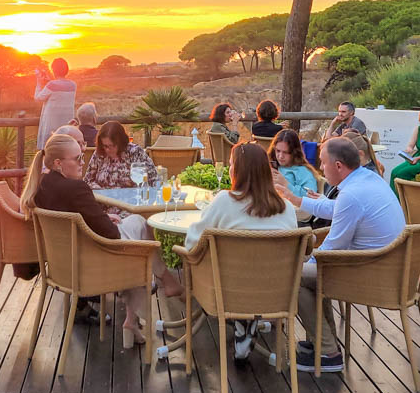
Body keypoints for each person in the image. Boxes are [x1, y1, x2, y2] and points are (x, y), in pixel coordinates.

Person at [22, 134, 179, 346]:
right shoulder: (76, 188)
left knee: (138, 235)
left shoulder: (41, 186)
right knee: (142, 232)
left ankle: (136, 315)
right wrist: (107, 222)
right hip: (93, 268)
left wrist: (103, 218)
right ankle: (163, 281)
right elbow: (111, 235)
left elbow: (77, 221)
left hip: (65, 267)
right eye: (77, 158)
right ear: (58, 163)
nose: (82, 162)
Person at [272, 136, 406, 372]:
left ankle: (327, 353)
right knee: (307, 270)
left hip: (372, 274)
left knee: (293, 275)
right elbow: (335, 208)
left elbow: (331, 249)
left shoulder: (352, 195)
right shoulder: (367, 179)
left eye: (323, 163)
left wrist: (303, 259)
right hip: (388, 266)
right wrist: (294, 199)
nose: (321, 168)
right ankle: (324, 342)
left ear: (338, 166)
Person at [185, 142, 298, 362]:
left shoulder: (224, 201)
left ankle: (240, 321)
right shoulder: (286, 208)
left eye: (230, 165)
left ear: (237, 170)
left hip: (228, 293)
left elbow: (192, 244)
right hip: (275, 294)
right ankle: (247, 321)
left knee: (199, 262)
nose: (229, 169)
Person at [86, 120, 157, 195]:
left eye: (112, 145)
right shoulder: (100, 153)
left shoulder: (134, 152)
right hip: (103, 201)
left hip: (130, 202)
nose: (108, 149)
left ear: (120, 142)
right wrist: (103, 192)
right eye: (105, 146)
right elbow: (88, 180)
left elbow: (153, 180)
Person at [387, 109, 420, 187]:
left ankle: (402, 197)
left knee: (401, 174)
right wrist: (408, 150)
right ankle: (393, 198)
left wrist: (418, 158)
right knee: (394, 172)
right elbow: (410, 145)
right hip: (415, 159)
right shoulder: (418, 129)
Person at [34, 58, 77, 149]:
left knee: (49, 151)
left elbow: (38, 98)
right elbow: (59, 89)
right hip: (66, 126)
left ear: (54, 70)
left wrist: (39, 82)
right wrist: (49, 81)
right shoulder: (73, 85)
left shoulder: (51, 85)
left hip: (51, 127)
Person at [270, 129, 318, 198]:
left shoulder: (303, 171)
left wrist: (286, 184)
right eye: (278, 151)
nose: (280, 156)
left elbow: (311, 197)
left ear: (294, 152)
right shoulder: (272, 165)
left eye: (286, 152)